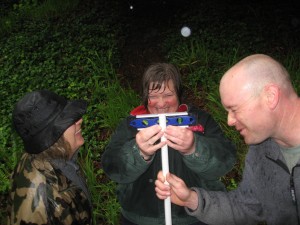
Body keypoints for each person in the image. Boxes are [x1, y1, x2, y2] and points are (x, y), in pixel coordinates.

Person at [155, 54, 300, 225]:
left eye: (234, 109)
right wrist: (191, 200)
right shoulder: (261, 151)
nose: (229, 121)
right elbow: (245, 207)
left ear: (270, 96)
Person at [101, 63, 236, 225]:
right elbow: (112, 167)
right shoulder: (131, 124)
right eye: (153, 96)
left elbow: (226, 161)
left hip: (196, 217)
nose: (161, 103)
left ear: (179, 93)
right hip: (138, 219)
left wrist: (194, 147)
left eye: (168, 94)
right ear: (145, 97)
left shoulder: (199, 120)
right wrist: (139, 152)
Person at [7, 90, 92, 225]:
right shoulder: (41, 207)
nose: (80, 120)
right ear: (52, 138)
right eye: (69, 120)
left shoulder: (55, 159)